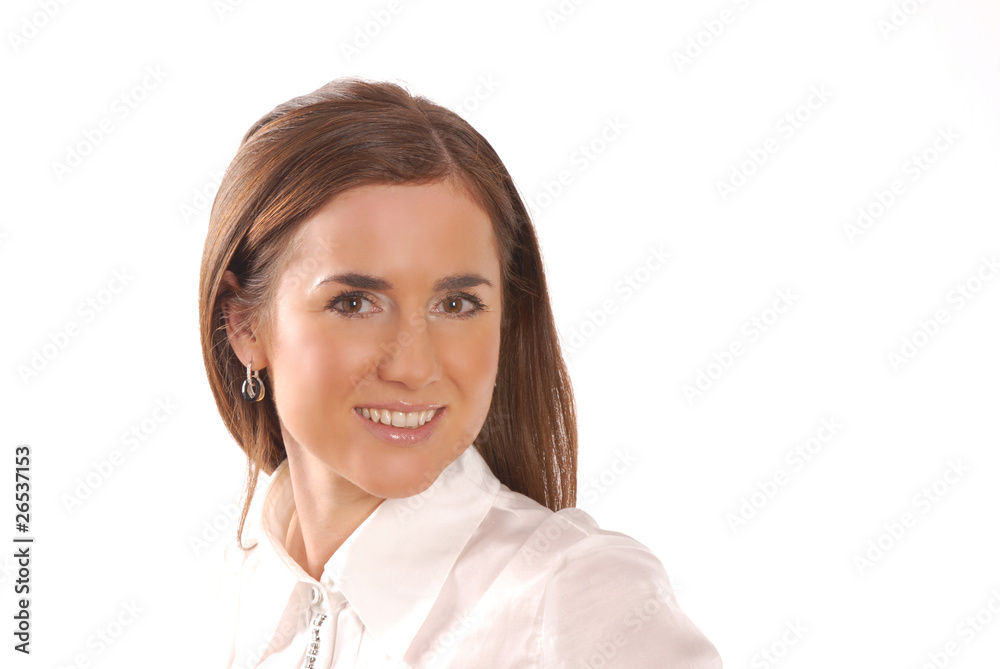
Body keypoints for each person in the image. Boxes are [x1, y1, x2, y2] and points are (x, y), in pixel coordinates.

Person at [199, 76, 722, 668]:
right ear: (243, 325)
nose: (414, 366)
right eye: (354, 303)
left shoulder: (576, 598)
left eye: (455, 305)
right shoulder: (229, 599)